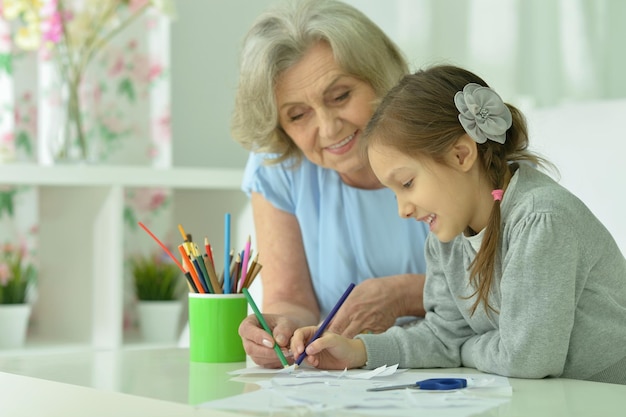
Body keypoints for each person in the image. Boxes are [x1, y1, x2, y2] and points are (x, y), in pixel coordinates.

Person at [290, 65, 626, 384]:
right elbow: (442, 335)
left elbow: (527, 359)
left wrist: (466, 348)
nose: (402, 210)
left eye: (406, 184)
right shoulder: (446, 238)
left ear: (461, 155)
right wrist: (358, 350)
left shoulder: (540, 219)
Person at [232, 0, 429, 368]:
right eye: (298, 115)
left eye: (340, 96)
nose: (328, 127)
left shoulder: (444, 142)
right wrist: (281, 329)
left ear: (380, 77)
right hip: (344, 379)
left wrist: (405, 295)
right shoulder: (279, 165)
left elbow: (505, 287)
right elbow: (290, 298)